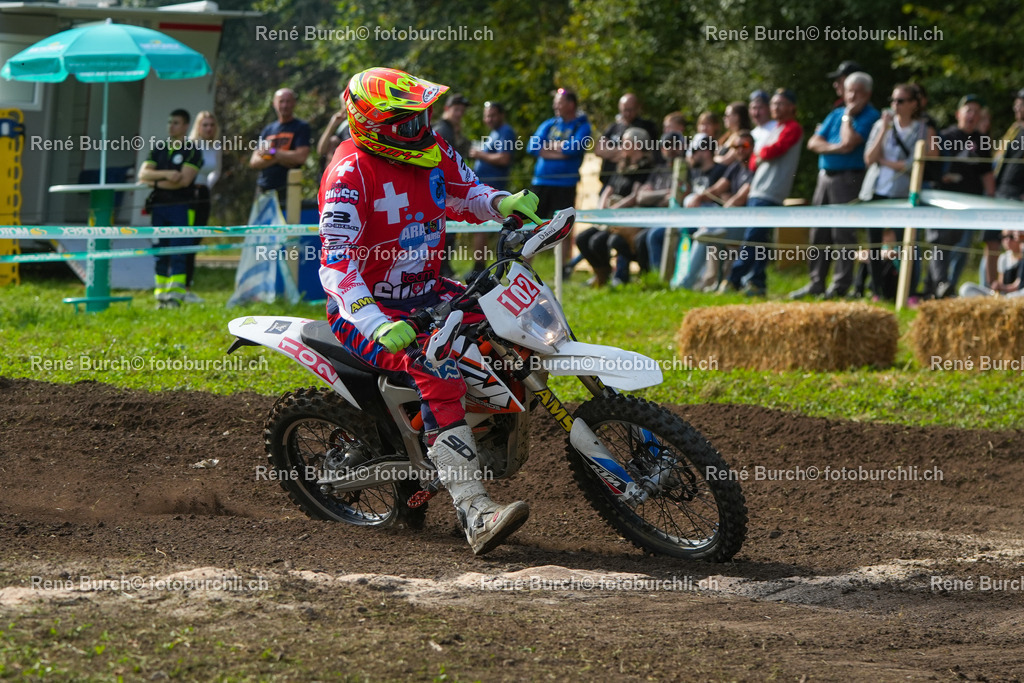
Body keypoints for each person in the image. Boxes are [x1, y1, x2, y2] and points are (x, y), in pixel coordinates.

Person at [318, 67, 543, 555]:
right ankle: (474, 511)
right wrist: (376, 322)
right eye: (406, 121)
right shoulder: (348, 174)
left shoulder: (431, 148)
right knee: (435, 367)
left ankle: (479, 430)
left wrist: (503, 202)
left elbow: (466, 194)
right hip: (369, 310)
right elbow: (337, 265)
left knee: (508, 326)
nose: (419, 127)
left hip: (430, 287)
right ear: (371, 124)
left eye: (422, 115)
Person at [790, 72, 880, 300]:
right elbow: (813, 143)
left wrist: (848, 118)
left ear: (867, 94)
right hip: (825, 176)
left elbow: (850, 143)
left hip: (849, 178)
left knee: (842, 233)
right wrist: (836, 147)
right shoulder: (835, 113)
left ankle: (840, 285)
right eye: (849, 91)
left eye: (857, 92)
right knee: (819, 231)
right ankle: (816, 283)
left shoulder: (870, 116)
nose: (851, 96)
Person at [722, 89, 803, 297]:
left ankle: (734, 279)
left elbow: (774, 150)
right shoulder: (776, 128)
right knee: (760, 240)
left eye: (781, 104)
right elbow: (752, 161)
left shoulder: (792, 128)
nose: (776, 108)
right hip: (759, 190)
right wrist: (758, 154)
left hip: (771, 192)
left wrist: (760, 153)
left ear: (792, 107)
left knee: (753, 238)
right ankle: (757, 283)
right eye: (774, 104)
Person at [861, 83, 935, 301]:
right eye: (893, 100)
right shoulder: (880, 126)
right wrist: (884, 129)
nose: (895, 105)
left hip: (904, 195)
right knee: (874, 245)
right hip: (876, 191)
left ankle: (909, 292)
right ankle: (877, 291)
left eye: (901, 101)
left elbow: (914, 163)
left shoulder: (923, 129)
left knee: (908, 245)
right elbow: (869, 159)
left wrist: (886, 162)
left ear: (913, 104)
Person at [928, 94, 996, 298]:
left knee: (962, 246)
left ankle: (950, 288)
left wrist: (991, 198)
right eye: (969, 110)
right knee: (939, 243)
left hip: (971, 204)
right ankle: (939, 284)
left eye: (977, 111)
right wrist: (942, 176)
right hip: (944, 201)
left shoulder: (982, 141)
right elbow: (931, 165)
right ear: (959, 114)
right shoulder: (946, 136)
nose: (972, 115)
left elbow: (986, 173)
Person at [138, 109, 202, 309]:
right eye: (169, 122)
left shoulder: (192, 150)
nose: (171, 126)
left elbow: (183, 181)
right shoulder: (159, 148)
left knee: (178, 251)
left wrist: (155, 179)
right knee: (160, 251)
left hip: (180, 207)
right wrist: (166, 175)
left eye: (176, 122)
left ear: (185, 126)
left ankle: (176, 297)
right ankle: (161, 296)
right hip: (159, 207)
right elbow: (143, 174)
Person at [575, 127, 654, 287]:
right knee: (582, 238)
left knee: (598, 241)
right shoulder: (621, 166)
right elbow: (608, 189)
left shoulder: (645, 168)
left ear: (637, 145)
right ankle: (601, 275)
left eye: (625, 143)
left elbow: (635, 196)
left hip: (627, 220)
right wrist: (603, 208)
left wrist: (615, 208)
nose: (621, 146)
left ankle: (617, 277)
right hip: (610, 217)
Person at [465, 101, 517, 279]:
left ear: (501, 115)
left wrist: (479, 154)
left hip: (494, 189)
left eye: (493, 115)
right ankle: (480, 266)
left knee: (485, 227)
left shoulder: (506, 132)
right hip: (485, 187)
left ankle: (486, 266)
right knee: (480, 227)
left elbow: (504, 158)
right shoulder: (494, 133)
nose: (489, 119)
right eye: (487, 115)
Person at [248, 88, 312, 206]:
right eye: (281, 101)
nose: (285, 105)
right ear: (274, 104)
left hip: (288, 189)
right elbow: (254, 161)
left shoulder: (301, 127)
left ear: (294, 103)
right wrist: (283, 158)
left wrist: (272, 152)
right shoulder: (268, 130)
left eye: (288, 101)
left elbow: (300, 157)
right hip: (263, 188)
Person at [185, 110, 222, 304]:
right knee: (185, 239)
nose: (208, 128)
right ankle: (180, 285)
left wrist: (206, 186)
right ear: (198, 127)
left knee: (195, 239)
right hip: (188, 194)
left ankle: (187, 286)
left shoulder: (215, 146)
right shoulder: (190, 145)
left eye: (211, 125)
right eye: (204, 125)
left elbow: (216, 171)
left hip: (203, 195)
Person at [594, 93, 659, 188]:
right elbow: (599, 150)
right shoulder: (614, 127)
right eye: (625, 110)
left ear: (638, 108)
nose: (627, 113)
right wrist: (624, 152)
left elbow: (648, 154)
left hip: (632, 182)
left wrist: (612, 153)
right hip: (608, 181)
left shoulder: (647, 127)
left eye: (631, 109)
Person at [959, 232, 1024, 298]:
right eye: (1004, 237)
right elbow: (1001, 282)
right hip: (1005, 295)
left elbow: (1018, 286)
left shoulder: (1022, 256)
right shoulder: (1003, 258)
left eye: (1011, 237)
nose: (1007, 240)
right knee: (966, 288)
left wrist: (1003, 288)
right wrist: (997, 287)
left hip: (1016, 294)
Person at [994, 89, 1024, 202]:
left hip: (1018, 196)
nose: (1017, 108)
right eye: (1016, 105)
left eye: (1021, 105)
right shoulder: (1014, 130)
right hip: (1001, 191)